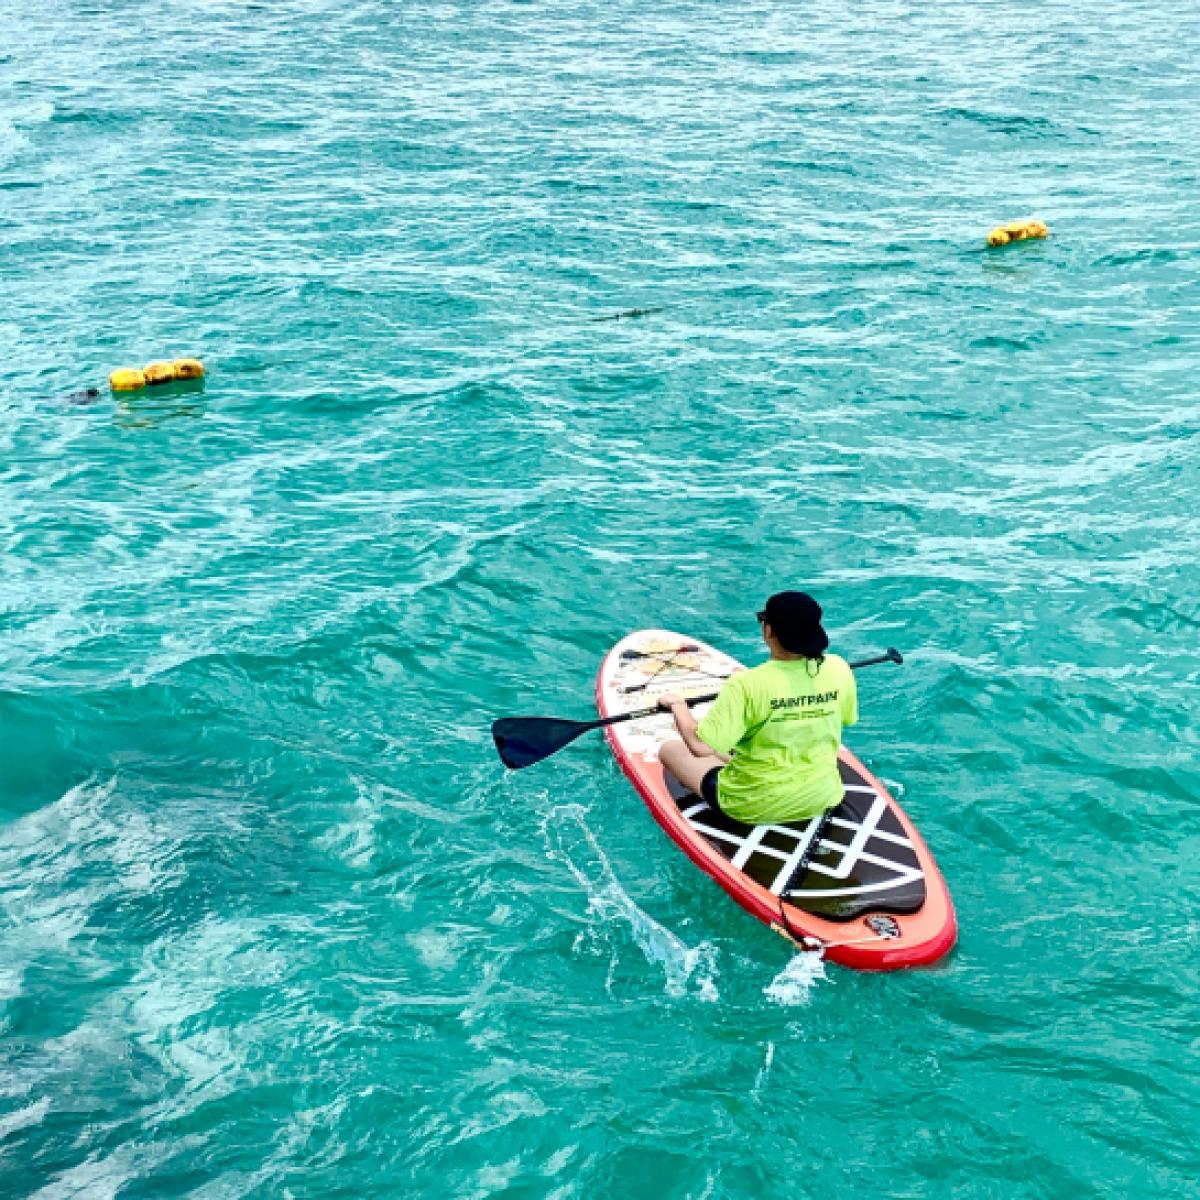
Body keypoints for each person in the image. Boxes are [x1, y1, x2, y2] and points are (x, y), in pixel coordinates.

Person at [657, 591, 857, 825]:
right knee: (730, 746)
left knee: (671, 749)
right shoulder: (839, 668)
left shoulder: (746, 684)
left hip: (750, 806)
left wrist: (678, 707)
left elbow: (699, 746)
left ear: (768, 630)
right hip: (822, 797)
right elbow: (845, 719)